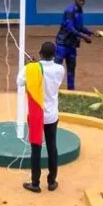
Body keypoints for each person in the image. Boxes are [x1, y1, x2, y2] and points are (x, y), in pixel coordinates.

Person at [21, 41, 66, 193]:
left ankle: (35, 183)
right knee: (52, 147)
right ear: (54, 55)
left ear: (40, 54)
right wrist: (34, 67)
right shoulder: (60, 69)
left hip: (36, 114)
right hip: (52, 115)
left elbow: (19, 82)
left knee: (36, 148)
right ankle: (52, 181)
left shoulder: (31, 68)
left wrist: (30, 67)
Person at [54, 0, 94, 90]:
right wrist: (84, 36)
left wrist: (90, 32)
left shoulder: (79, 10)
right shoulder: (69, 10)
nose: (82, 2)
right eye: (80, 0)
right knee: (56, 68)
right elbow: (70, 28)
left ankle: (71, 90)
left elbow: (79, 27)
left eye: (83, 0)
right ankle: (52, 89)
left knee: (71, 68)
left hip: (72, 45)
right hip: (62, 44)